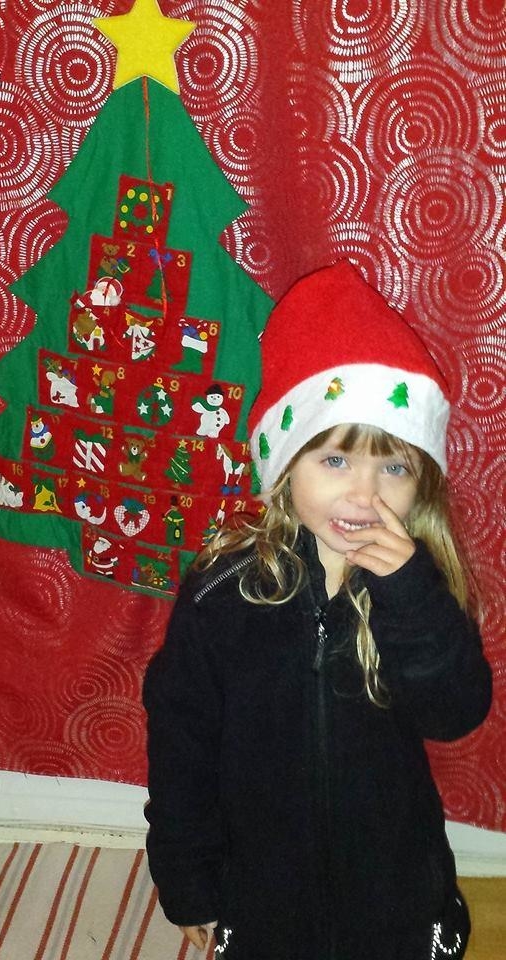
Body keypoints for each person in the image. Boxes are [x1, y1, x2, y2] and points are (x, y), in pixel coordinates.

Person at [143, 261, 492, 960]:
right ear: (284, 466)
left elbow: (455, 713)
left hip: (395, 889)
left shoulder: (417, 586)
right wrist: (188, 880)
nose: (365, 495)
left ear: (421, 482)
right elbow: (181, 748)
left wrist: (410, 595)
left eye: (394, 467)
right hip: (262, 891)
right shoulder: (223, 593)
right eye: (335, 461)